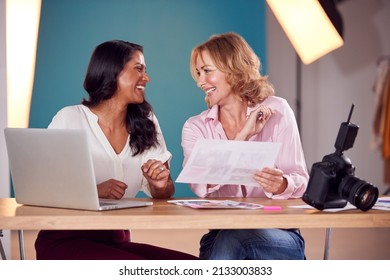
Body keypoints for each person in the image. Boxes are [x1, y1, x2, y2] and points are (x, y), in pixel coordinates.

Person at [34, 40, 197, 260]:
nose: (146, 78)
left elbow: (166, 193)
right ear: (113, 72)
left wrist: (160, 184)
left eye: (145, 71)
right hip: (63, 241)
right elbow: (42, 187)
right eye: (139, 69)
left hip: (116, 240)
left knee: (192, 266)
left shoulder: (146, 121)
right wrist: (94, 191)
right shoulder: (70, 118)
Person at [181, 32, 309, 260]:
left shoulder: (278, 111)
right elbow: (201, 183)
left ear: (234, 68)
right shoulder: (196, 128)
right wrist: (244, 134)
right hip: (220, 237)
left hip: (279, 236)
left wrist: (281, 185)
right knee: (229, 240)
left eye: (207, 71)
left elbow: (301, 179)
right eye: (198, 73)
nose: (201, 82)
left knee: (235, 241)